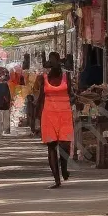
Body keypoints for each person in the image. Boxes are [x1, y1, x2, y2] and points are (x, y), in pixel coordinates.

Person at [36, 52, 74, 187]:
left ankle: (64, 168)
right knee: (51, 146)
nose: (54, 65)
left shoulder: (66, 77)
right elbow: (40, 98)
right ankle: (57, 180)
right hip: (49, 115)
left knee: (65, 146)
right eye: (51, 62)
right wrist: (37, 117)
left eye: (55, 61)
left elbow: (71, 94)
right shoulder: (44, 78)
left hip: (65, 115)